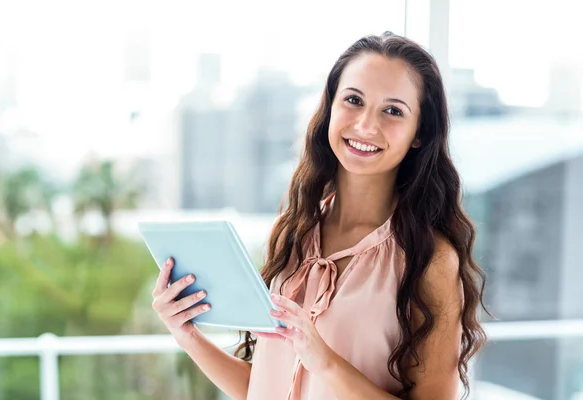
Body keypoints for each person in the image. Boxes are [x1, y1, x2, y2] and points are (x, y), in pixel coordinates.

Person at [151, 31, 488, 400]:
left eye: (393, 110)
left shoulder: (430, 260)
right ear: (330, 107)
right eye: (353, 100)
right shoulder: (293, 231)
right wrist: (188, 336)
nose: (365, 126)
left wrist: (325, 362)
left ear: (419, 133)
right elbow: (262, 387)